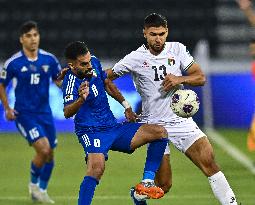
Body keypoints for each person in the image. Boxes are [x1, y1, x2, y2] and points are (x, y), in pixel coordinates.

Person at [106, 13, 238, 205]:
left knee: (209, 163)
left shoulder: (177, 49)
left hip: (181, 121)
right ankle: (138, 194)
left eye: (161, 33)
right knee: (164, 185)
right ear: (145, 33)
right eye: (153, 34)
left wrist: (180, 79)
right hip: (155, 128)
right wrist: (126, 105)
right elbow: (106, 78)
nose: (158, 38)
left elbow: (200, 77)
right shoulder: (135, 58)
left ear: (167, 32)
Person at [61, 41, 169, 205]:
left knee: (159, 133)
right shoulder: (70, 81)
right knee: (96, 168)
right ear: (72, 65)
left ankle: (144, 186)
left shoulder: (94, 63)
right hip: (91, 131)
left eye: (89, 60)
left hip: (112, 127)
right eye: (84, 64)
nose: (89, 65)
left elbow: (107, 83)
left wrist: (126, 105)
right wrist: (81, 99)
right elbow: (67, 112)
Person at [0, 21, 62, 203]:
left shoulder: (49, 60)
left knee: (50, 153)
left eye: (35, 35)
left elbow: (58, 81)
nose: (33, 39)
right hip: (25, 115)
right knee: (43, 149)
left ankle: (41, 190)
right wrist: (7, 108)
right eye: (28, 36)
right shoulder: (13, 63)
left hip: (45, 114)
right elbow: (2, 86)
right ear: (22, 39)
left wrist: (68, 89)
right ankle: (33, 185)